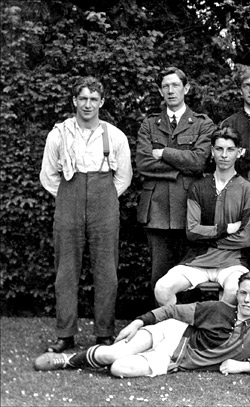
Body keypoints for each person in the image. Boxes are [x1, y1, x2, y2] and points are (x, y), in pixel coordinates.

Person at [34, 271, 250, 377]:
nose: (246, 299)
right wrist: (137, 322)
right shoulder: (218, 308)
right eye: (243, 292)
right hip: (172, 333)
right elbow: (171, 310)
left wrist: (243, 367)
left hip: (172, 359)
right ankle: (67, 361)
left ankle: (94, 360)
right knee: (115, 352)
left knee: (119, 368)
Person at [39, 76, 133, 352]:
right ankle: (65, 334)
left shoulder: (115, 136)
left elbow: (123, 177)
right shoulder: (58, 134)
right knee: (66, 270)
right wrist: (72, 197)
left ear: (101, 102)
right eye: (83, 98)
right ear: (74, 101)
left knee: (106, 270)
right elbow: (48, 176)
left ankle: (104, 333)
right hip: (69, 198)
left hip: (104, 199)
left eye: (94, 99)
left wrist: (101, 197)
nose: (88, 104)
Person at [136, 67, 216, 299]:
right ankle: (161, 329)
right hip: (157, 210)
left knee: (189, 276)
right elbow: (143, 162)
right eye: (166, 86)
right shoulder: (150, 124)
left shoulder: (202, 123)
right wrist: (179, 168)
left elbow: (199, 162)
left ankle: (188, 329)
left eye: (175, 86)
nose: (171, 91)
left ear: (186, 89)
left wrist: (163, 153)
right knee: (159, 275)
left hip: (189, 207)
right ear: (160, 91)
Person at [154, 128, 250, 306]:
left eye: (230, 150)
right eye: (219, 149)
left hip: (232, 263)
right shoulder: (198, 187)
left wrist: (207, 237)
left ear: (238, 153)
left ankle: (219, 333)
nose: (224, 155)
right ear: (212, 151)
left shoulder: (247, 188)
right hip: (197, 261)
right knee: (162, 288)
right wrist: (225, 229)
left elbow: (245, 239)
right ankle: (180, 331)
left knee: (234, 291)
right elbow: (192, 231)